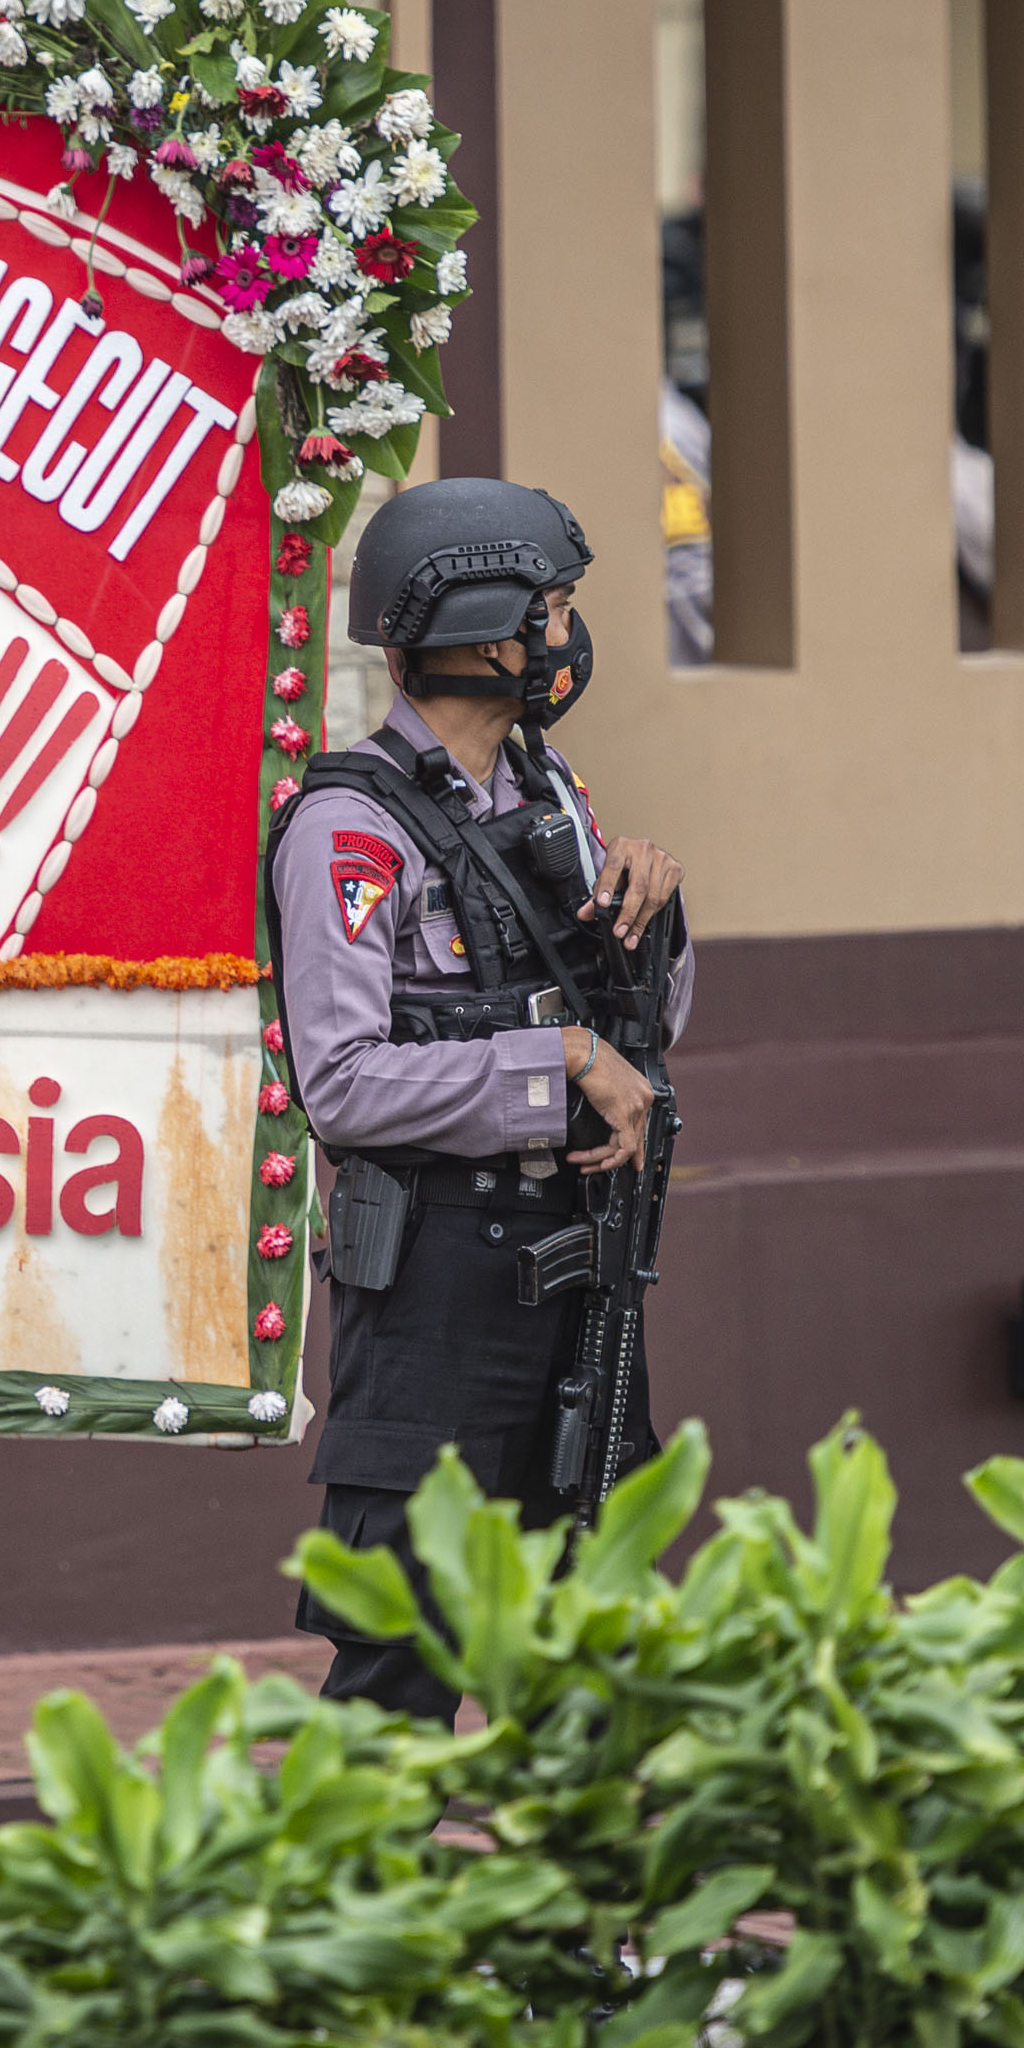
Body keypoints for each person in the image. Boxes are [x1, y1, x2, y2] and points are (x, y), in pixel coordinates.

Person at [267, 477, 691, 1721]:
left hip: (576, 1280)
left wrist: (652, 922)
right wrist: (556, 1059)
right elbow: (342, 1084)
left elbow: (642, 1036)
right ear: (481, 626)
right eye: (549, 607)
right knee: (399, 1673)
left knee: (589, 1667)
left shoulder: (550, 797)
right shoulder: (350, 830)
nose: (565, 634)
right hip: (438, 1296)